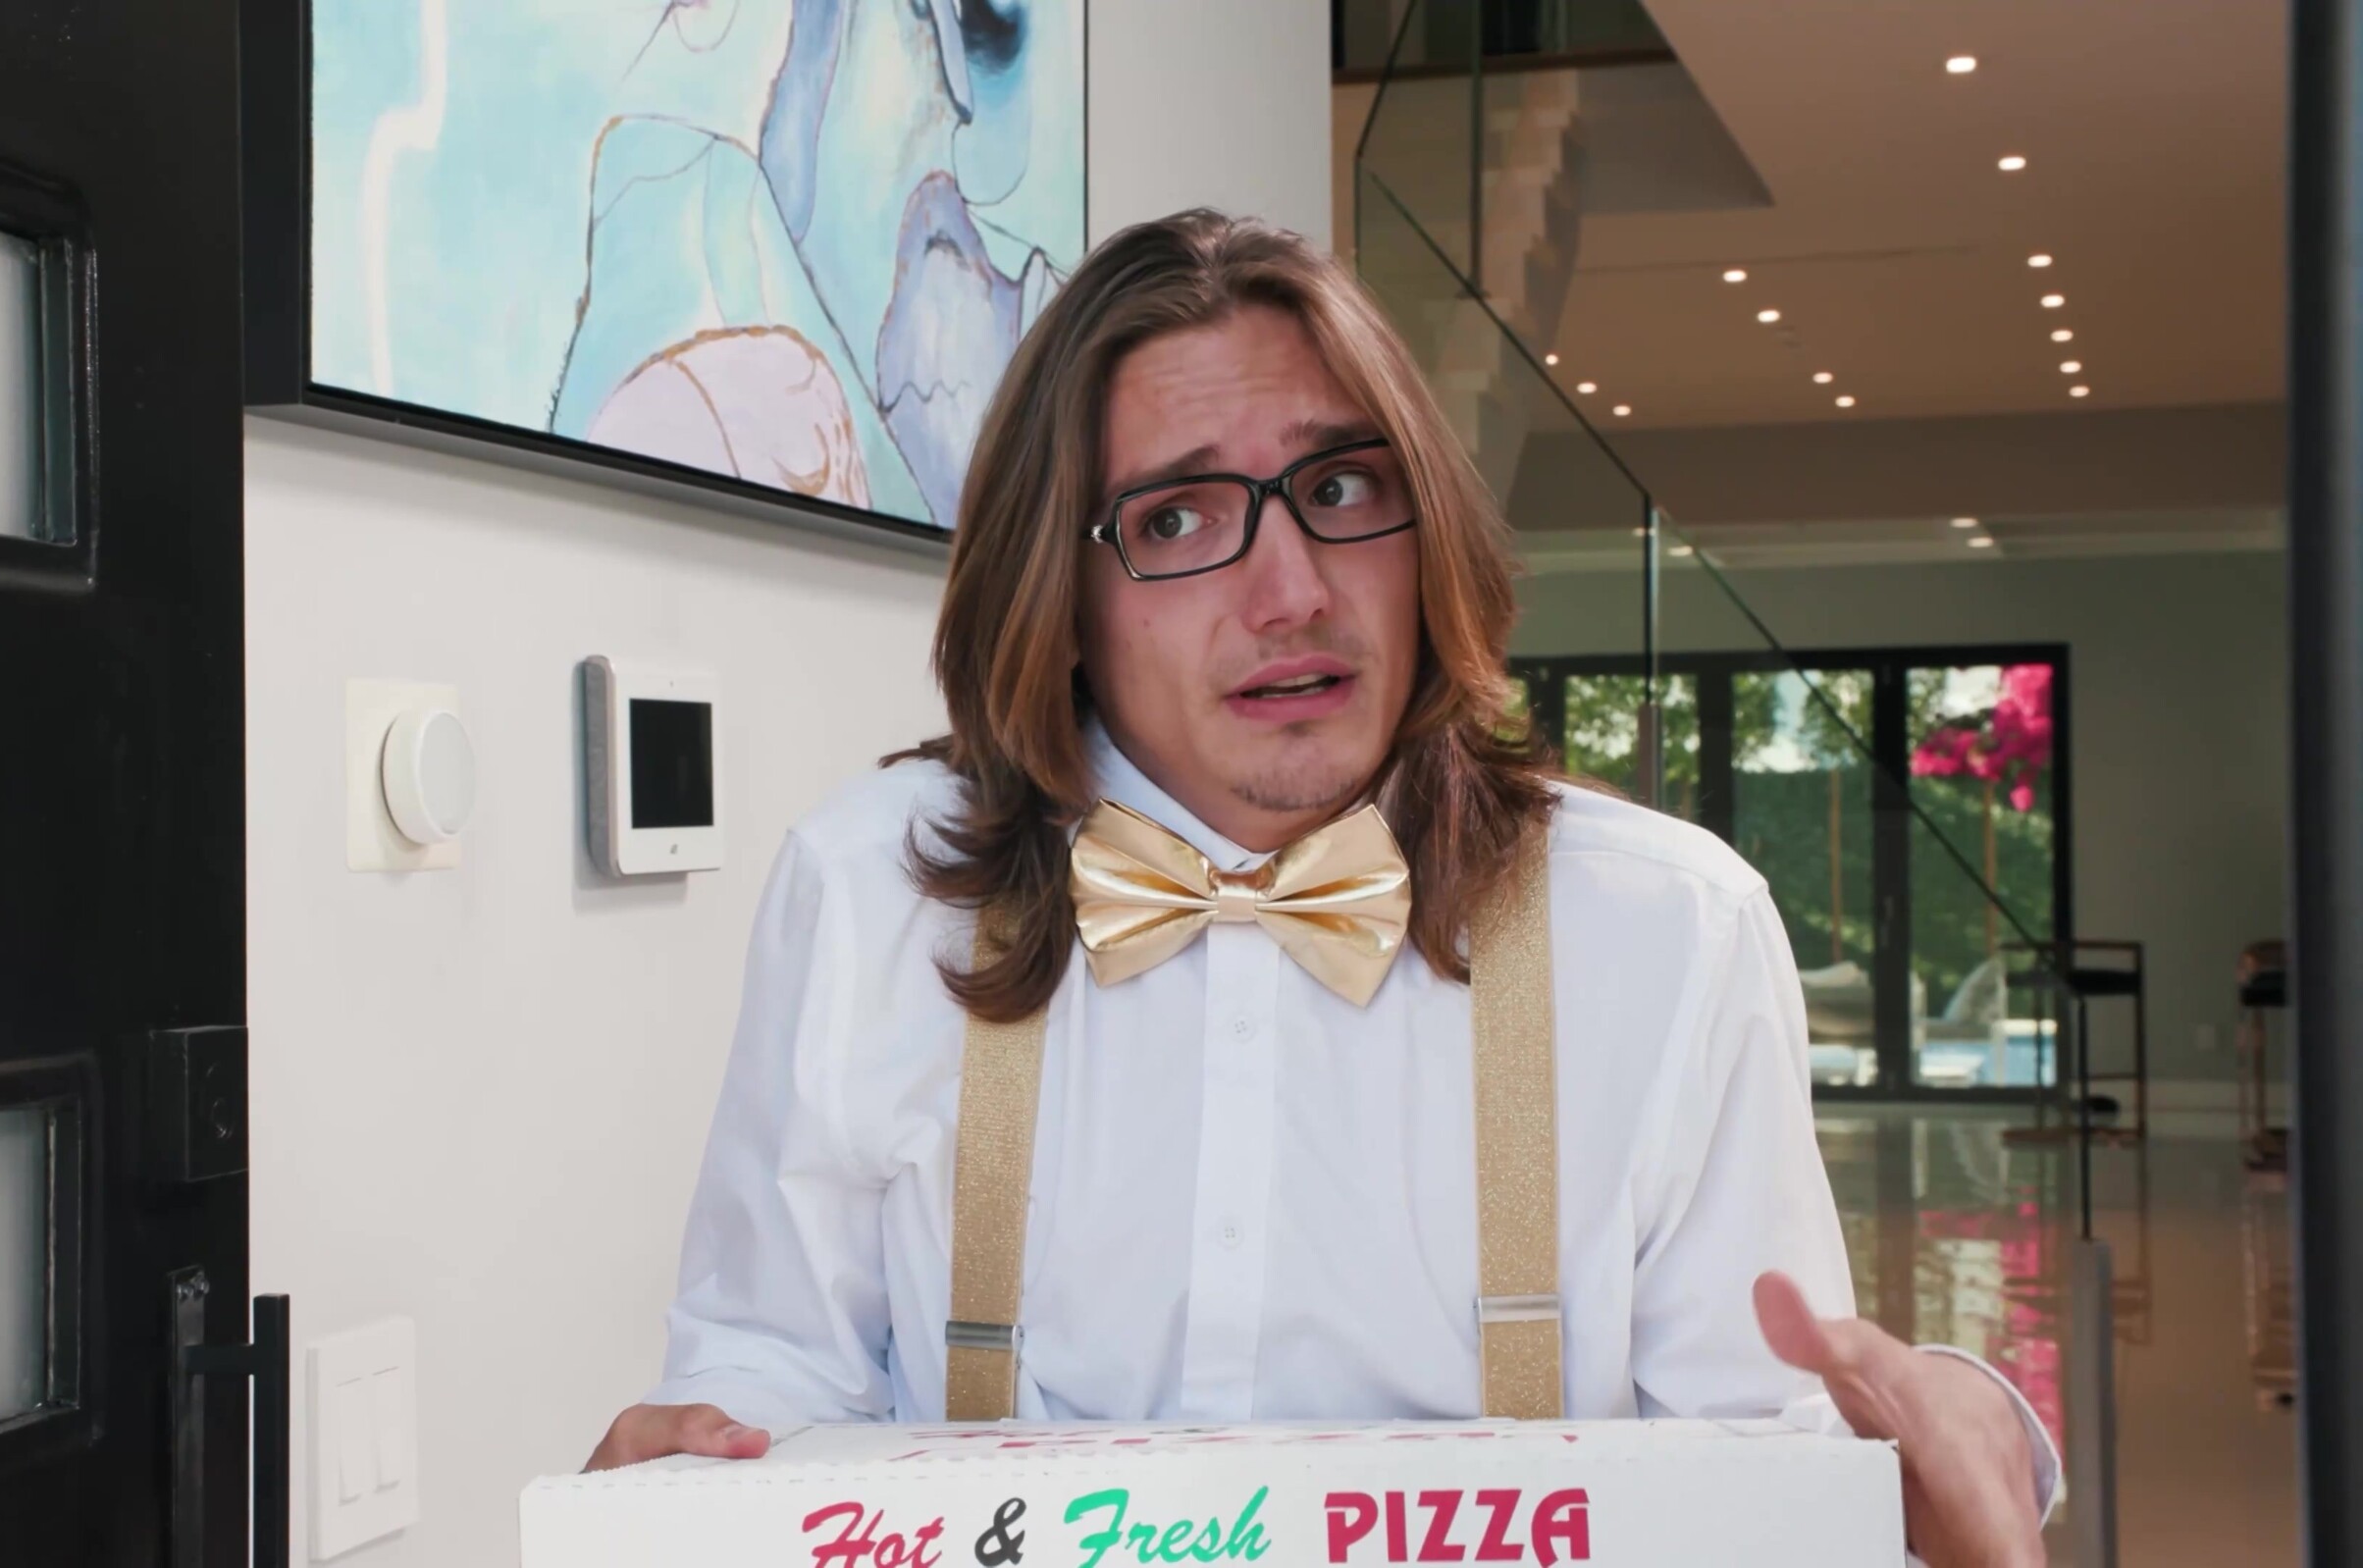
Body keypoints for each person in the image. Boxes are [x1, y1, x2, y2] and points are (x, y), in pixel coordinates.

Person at [586, 211, 2056, 1567]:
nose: (1290, 591)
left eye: (1342, 488)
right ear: (1059, 592)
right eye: (1176, 519)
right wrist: (696, 1474)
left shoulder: (1673, 932)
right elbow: (771, 1371)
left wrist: (1916, 1482)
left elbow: (1752, 1485)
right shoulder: (867, 892)